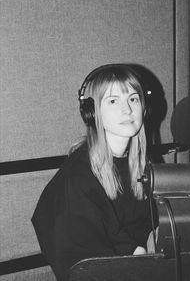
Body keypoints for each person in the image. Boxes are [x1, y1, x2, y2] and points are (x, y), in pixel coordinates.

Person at [32, 64, 158, 281]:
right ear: (92, 113)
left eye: (133, 99)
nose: (126, 109)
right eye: (112, 101)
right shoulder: (77, 178)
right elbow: (85, 259)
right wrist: (138, 254)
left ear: (144, 107)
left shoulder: (143, 163)